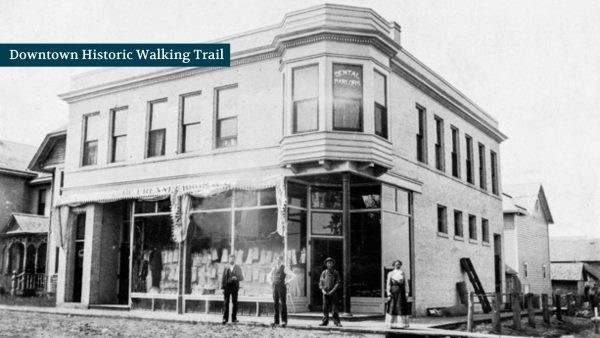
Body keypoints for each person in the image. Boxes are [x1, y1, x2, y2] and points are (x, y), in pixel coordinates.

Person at [267, 255, 296, 327]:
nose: (278, 261)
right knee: (275, 303)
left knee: (283, 303)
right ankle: (276, 321)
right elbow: (268, 277)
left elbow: (293, 275)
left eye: (279, 260)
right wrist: (271, 283)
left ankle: (284, 321)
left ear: (281, 260)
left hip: (282, 286)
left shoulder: (284, 268)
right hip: (275, 286)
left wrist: (287, 282)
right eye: (276, 259)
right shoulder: (273, 268)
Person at [385, 260, 410, 329]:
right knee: (392, 307)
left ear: (400, 265)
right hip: (393, 292)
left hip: (401, 292)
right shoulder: (391, 273)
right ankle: (391, 324)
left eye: (399, 264)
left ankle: (401, 324)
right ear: (393, 265)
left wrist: (407, 292)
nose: (397, 265)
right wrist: (388, 293)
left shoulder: (403, 273)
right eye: (396, 264)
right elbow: (388, 284)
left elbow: (406, 284)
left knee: (400, 307)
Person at [319, 257, 342, 327]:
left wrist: (332, 291)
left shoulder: (336, 272)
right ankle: (325, 322)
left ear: (333, 264)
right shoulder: (324, 272)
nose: (329, 264)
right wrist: (323, 291)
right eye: (328, 263)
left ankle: (337, 322)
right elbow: (321, 283)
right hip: (325, 293)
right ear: (326, 264)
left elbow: (338, 283)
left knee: (334, 308)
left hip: (333, 293)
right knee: (325, 308)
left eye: (331, 263)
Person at [222, 253, 244, 324]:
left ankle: (234, 318)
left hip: (234, 287)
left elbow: (241, 278)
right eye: (230, 258)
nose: (231, 259)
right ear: (228, 259)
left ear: (235, 259)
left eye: (233, 258)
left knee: (235, 303)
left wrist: (236, 278)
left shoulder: (238, 267)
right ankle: (225, 318)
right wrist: (223, 288)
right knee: (226, 303)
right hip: (227, 287)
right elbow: (223, 278)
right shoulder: (226, 267)